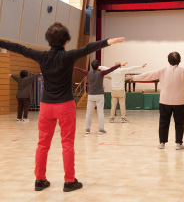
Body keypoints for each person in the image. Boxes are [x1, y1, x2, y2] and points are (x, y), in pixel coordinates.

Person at [0, 22, 124, 192]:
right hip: (65, 105)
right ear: (66, 41)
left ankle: (39, 179)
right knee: (67, 143)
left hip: (46, 106)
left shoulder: (42, 56)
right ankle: (68, 181)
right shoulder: (69, 56)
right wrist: (108, 41)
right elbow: (88, 48)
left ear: (48, 40)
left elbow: (19, 48)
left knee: (42, 144)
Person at [129, 52, 184, 150]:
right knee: (179, 123)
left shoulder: (163, 70)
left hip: (165, 101)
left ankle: (162, 143)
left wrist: (134, 77)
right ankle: (179, 144)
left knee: (163, 122)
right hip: (179, 102)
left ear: (168, 60)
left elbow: (149, 75)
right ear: (179, 61)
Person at [74, 60, 126, 134]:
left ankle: (87, 129)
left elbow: (79, 69)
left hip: (91, 95)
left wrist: (72, 67)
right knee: (100, 113)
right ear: (98, 66)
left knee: (88, 113)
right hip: (99, 95)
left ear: (92, 66)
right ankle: (101, 130)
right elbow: (111, 69)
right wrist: (119, 65)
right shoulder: (101, 73)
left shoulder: (88, 73)